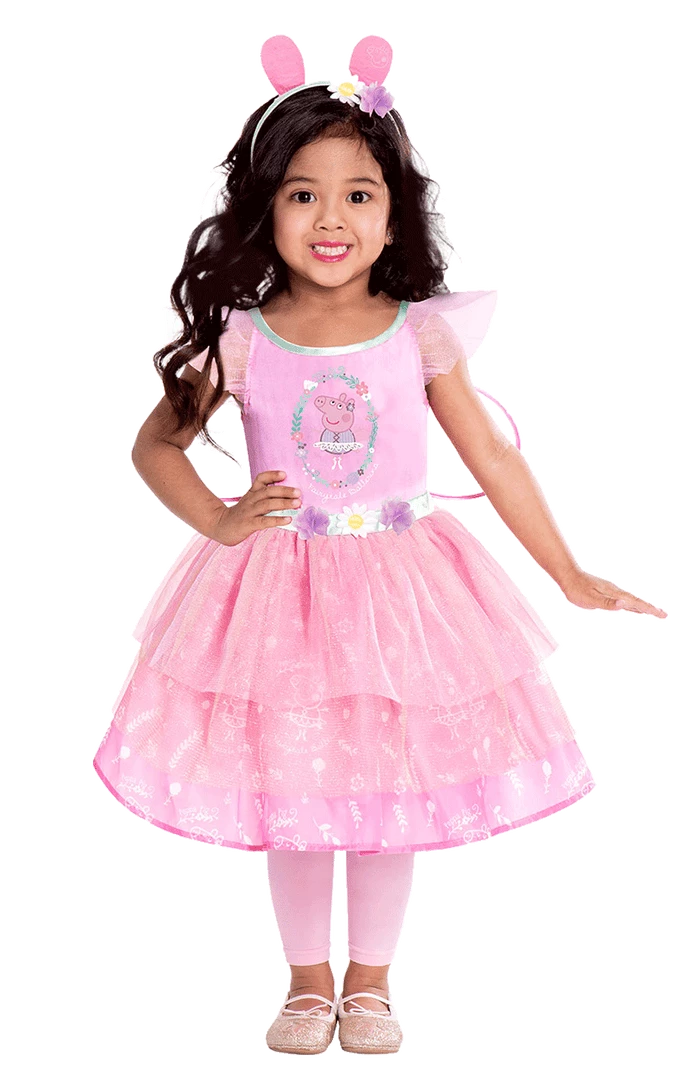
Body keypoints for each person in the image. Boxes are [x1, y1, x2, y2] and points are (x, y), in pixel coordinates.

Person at [92, 34, 666, 1057]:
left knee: (391, 783)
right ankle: (305, 982)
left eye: (358, 194)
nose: (331, 219)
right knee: (294, 782)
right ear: (263, 207)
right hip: (280, 591)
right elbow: (156, 444)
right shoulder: (242, 336)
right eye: (303, 194)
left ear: (395, 210)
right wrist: (219, 518)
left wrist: (567, 571)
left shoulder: (415, 330)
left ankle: (370, 981)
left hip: (402, 589)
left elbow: (490, 454)